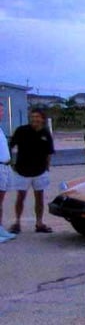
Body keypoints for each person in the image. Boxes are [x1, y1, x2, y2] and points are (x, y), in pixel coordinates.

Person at [8, 109, 55, 233]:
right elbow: (10, 145)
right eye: (32, 116)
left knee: (39, 197)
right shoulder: (21, 130)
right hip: (22, 170)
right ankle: (17, 222)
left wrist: (47, 167)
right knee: (20, 197)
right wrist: (11, 161)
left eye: (37, 117)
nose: (35, 119)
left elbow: (49, 152)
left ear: (43, 119)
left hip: (40, 171)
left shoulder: (46, 133)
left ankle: (39, 223)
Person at [0, 103, 16, 242]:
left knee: (1, 201)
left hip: (5, 167)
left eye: (1, 111)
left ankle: (0, 229)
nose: (1, 113)